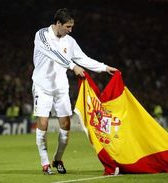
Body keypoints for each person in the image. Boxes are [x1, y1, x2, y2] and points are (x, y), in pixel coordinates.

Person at [31, 8, 117, 175]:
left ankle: (58, 159)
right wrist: (72, 66)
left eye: (71, 27)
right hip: (42, 87)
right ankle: (45, 163)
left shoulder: (69, 41)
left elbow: (83, 58)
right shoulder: (41, 35)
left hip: (61, 88)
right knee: (43, 122)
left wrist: (104, 67)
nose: (70, 30)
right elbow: (53, 53)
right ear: (58, 23)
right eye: (68, 26)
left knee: (66, 125)